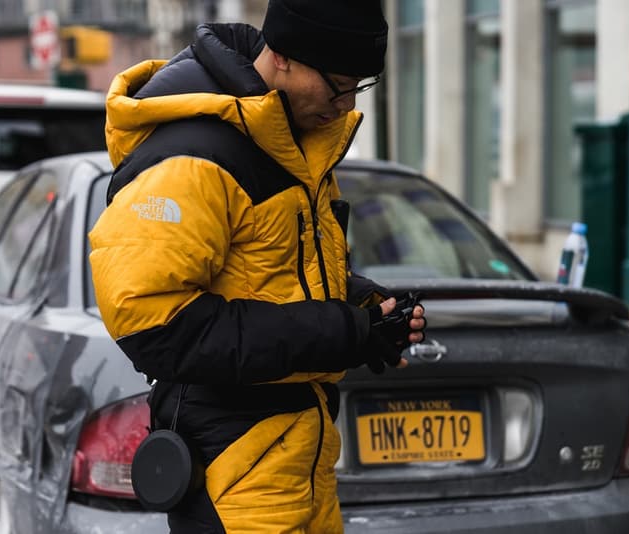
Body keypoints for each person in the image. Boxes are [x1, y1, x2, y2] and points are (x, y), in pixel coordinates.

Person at [88, 1, 426, 532]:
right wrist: (342, 331)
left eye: (357, 89)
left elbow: (278, 275)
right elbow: (154, 325)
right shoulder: (195, 154)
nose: (343, 105)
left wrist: (367, 311)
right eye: (338, 84)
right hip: (234, 473)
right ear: (285, 56)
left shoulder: (295, 142)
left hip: (300, 462)